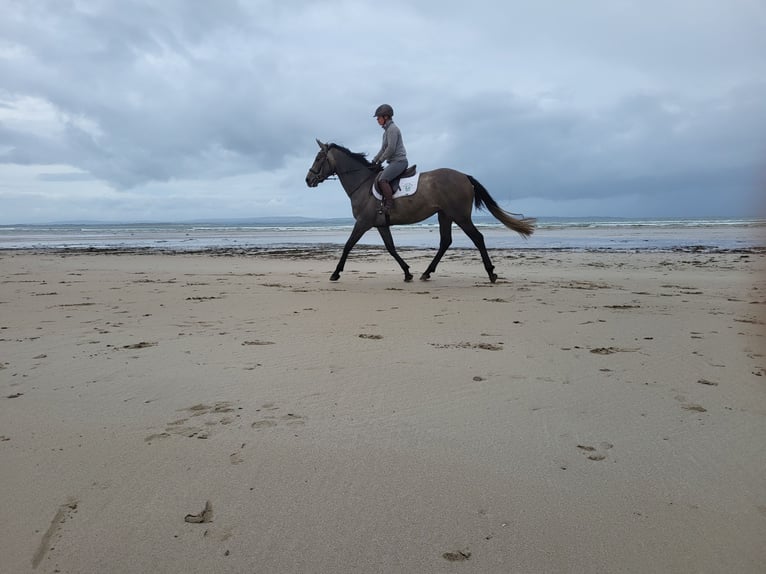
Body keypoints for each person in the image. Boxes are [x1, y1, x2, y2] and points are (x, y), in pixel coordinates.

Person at [372, 104, 408, 211]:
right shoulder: (386, 132)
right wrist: (374, 160)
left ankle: (389, 205)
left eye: (379, 117)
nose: (377, 119)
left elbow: (391, 149)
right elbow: (383, 149)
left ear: (386, 117)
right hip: (393, 162)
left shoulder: (392, 129)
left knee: (382, 180)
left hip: (399, 162)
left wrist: (381, 160)